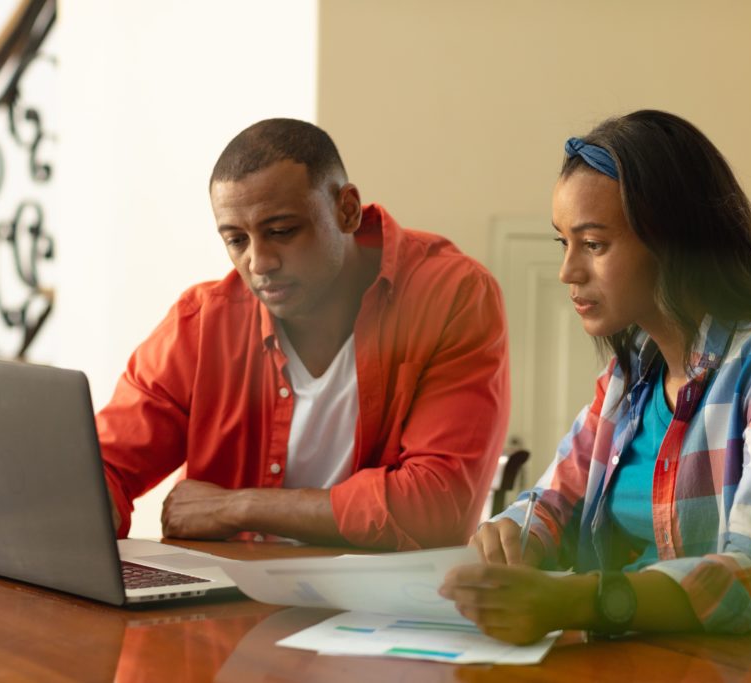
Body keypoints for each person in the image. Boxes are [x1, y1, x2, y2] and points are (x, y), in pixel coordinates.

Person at [440, 110, 751, 646]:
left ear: (672, 242)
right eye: (562, 243)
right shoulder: (630, 371)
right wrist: (509, 538)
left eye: (593, 244)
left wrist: (579, 600)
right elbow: (553, 502)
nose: (568, 271)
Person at [97, 118, 510, 550]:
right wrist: (90, 503)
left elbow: (438, 507)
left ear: (347, 210)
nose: (259, 262)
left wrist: (239, 507)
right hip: (225, 601)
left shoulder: (450, 297)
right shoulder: (203, 322)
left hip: (378, 605)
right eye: (236, 240)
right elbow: (104, 465)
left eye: (281, 232)